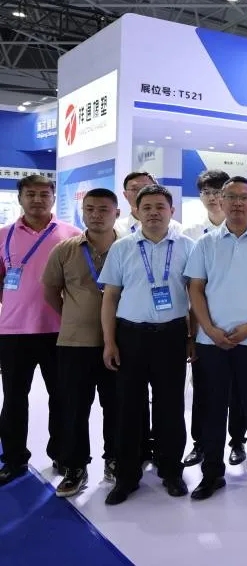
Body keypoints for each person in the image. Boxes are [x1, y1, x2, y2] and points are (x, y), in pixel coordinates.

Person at [185, 176, 247, 499]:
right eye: (231, 197)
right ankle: (211, 474)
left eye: (244, 197)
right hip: (212, 341)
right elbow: (195, 288)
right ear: (221, 201)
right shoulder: (205, 243)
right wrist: (209, 329)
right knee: (213, 409)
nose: (238, 203)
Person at [98, 185, 194, 505]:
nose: (154, 212)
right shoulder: (122, 248)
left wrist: (191, 337)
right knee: (128, 407)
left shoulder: (187, 247)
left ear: (172, 211)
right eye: (147, 207)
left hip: (171, 337)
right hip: (131, 337)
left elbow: (196, 297)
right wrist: (109, 341)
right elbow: (110, 297)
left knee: (171, 407)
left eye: (160, 207)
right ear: (136, 212)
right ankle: (127, 476)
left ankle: (171, 470)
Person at [0, 174, 80, 487]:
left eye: (44, 194)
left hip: (59, 331)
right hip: (13, 332)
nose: (37, 199)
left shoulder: (71, 234)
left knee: (61, 397)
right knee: (13, 399)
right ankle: (14, 459)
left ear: (53, 197)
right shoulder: (4, 234)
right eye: (30, 194)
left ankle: (61, 454)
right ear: (20, 198)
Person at [42, 188, 121, 497]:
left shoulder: (129, 248)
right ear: (83, 212)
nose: (96, 215)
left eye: (103, 209)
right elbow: (51, 291)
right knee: (74, 408)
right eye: (90, 209)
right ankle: (75, 466)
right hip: (75, 343)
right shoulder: (65, 250)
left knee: (117, 406)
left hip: (119, 342)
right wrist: (72, 317)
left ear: (116, 213)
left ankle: (115, 460)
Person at [180, 169, 234, 468]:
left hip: (238, 323)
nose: (212, 198)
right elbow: (190, 286)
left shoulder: (244, 229)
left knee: (238, 390)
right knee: (203, 388)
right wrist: (193, 330)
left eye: (218, 192)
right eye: (206, 192)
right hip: (201, 323)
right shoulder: (189, 234)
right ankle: (200, 443)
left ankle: (237, 441)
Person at [115, 171, 183, 236]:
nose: (140, 192)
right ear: (125, 195)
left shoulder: (176, 229)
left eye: (146, 188)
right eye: (134, 189)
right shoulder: (116, 228)